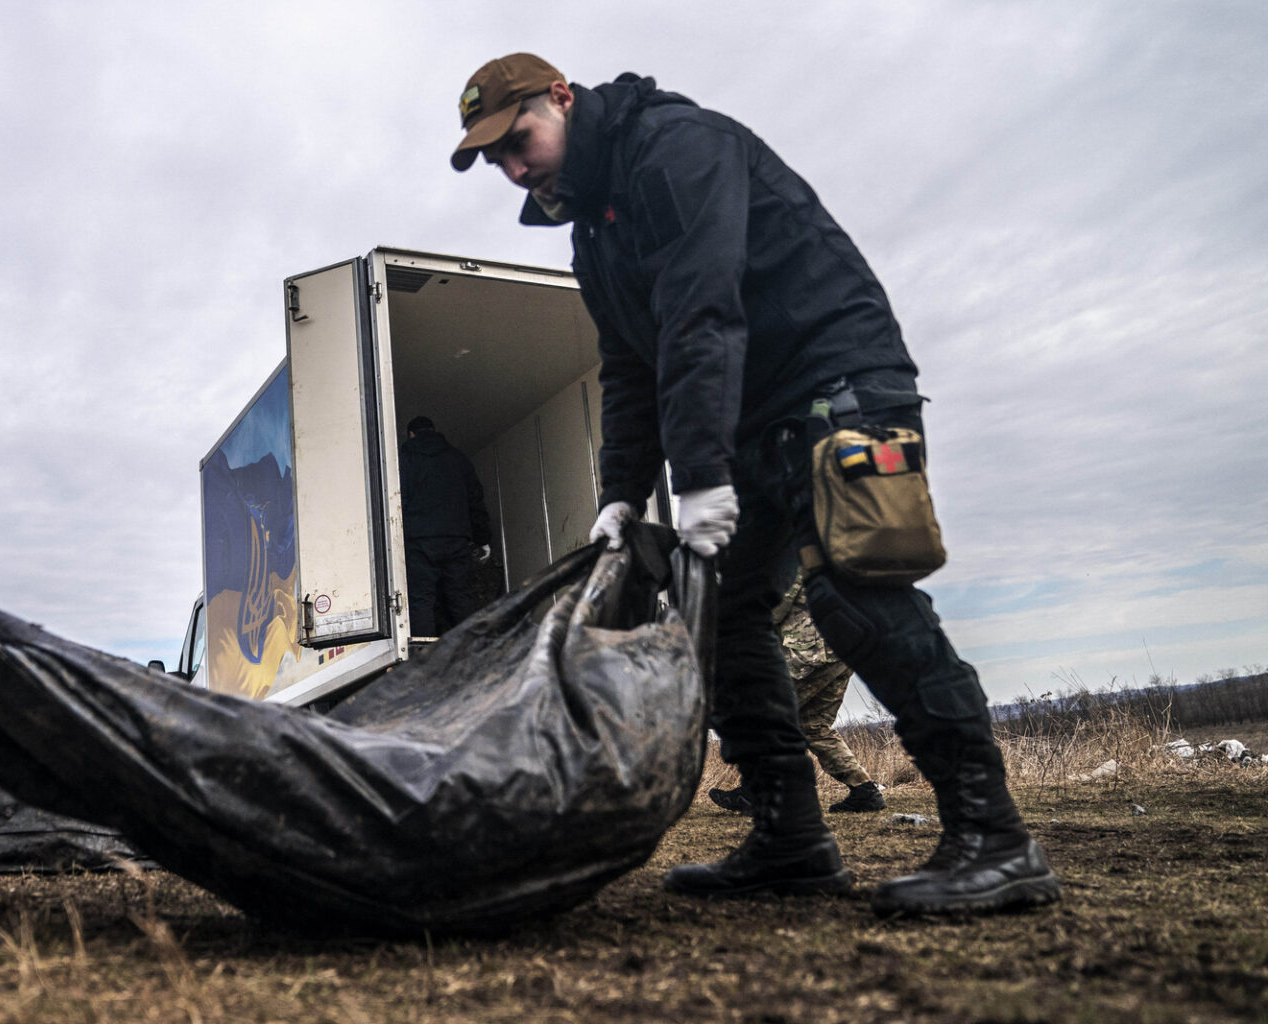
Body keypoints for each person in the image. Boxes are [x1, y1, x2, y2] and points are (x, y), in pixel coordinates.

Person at [450, 54, 1058, 916]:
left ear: (563, 98)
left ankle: (994, 837)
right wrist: (619, 498)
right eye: (496, 162)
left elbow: (705, 311)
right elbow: (629, 366)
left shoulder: (677, 148)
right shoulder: (596, 231)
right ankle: (790, 836)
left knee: (857, 595)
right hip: (744, 415)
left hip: (837, 383)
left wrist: (697, 476)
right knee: (721, 617)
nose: (514, 168)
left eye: (519, 141)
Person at [710, 572, 885, 815]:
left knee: (765, 715)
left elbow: (772, 609)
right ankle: (865, 790)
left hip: (807, 653)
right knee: (814, 726)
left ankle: (757, 794)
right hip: (843, 652)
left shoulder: (791, 560)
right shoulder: (831, 561)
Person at [398, 416, 494, 637]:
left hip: (420, 541)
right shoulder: (458, 459)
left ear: (411, 435)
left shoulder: (404, 461)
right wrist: (483, 538)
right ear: (434, 431)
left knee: (421, 599)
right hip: (456, 539)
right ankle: (470, 647)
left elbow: (398, 500)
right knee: (462, 597)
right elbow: (475, 501)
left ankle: (424, 653)